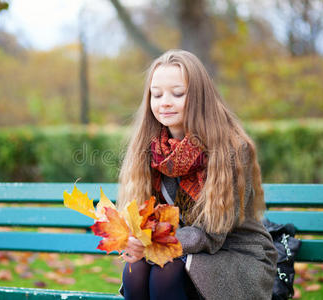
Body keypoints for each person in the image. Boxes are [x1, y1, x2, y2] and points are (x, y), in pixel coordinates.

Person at [116, 49, 277, 300]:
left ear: (199, 97)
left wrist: (151, 243)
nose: (164, 102)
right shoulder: (150, 148)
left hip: (232, 253)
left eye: (177, 93)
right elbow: (144, 218)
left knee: (164, 270)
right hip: (176, 250)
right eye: (156, 94)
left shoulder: (231, 149)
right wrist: (137, 238)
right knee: (135, 270)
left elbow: (212, 235)